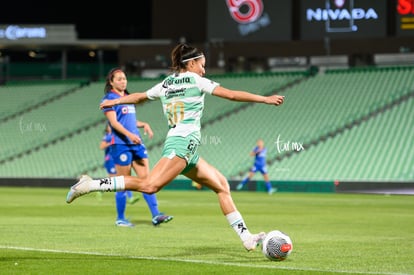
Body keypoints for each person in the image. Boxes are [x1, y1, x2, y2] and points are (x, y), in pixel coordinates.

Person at [66, 43, 285, 251]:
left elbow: (140, 97)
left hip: (187, 148)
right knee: (150, 185)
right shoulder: (196, 81)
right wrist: (264, 99)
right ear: (190, 64)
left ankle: (246, 237)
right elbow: (230, 95)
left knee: (222, 186)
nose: (204, 69)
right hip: (182, 144)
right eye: (202, 64)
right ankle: (91, 184)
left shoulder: (166, 83)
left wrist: (115, 102)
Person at [98, 67, 173, 227]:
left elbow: (129, 121)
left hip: (136, 143)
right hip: (121, 144)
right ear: (111, 82)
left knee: (147, 180)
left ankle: (156, 215)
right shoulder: (108, 99)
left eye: (124, 78)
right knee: (123, 182)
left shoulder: (128, 97)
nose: (123, 81)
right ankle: (120, 218)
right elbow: (114, 123)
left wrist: (143, 124)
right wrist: (130, 135)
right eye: (119, 79)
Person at [99, 123, 140, 204]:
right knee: (116, 179)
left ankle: (129, 197)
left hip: (117, 158)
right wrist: (111, 143)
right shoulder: (108, 136)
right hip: (110, 160)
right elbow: (102, 146)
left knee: (122, 178)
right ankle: (101, 188)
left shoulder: (116, 135)